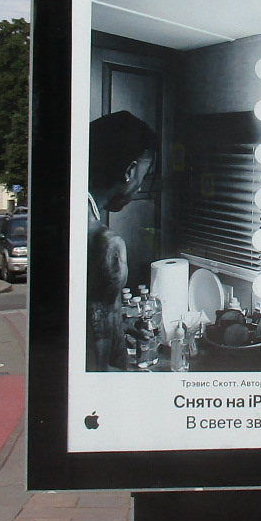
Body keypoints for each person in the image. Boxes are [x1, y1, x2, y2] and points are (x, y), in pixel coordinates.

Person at [86, 110, 157, 371]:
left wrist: (116, 323)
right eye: (144, 176)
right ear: (130, 170)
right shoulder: (105, 243)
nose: (140, 187)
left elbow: (85, 318)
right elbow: (99, 352)